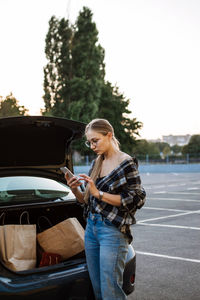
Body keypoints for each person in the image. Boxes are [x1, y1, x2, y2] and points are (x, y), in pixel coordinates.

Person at [65, 118, 146, 300]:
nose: (92, 146)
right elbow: (86, 200)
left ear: (109, 135)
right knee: (98, 289)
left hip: (112, 231)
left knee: (111, 291)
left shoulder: (126, 163)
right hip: (91, 229)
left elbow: (136, 200)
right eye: (89, 142)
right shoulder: (97, 162)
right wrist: (75, 189)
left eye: (95, 140)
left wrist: (99, 193)